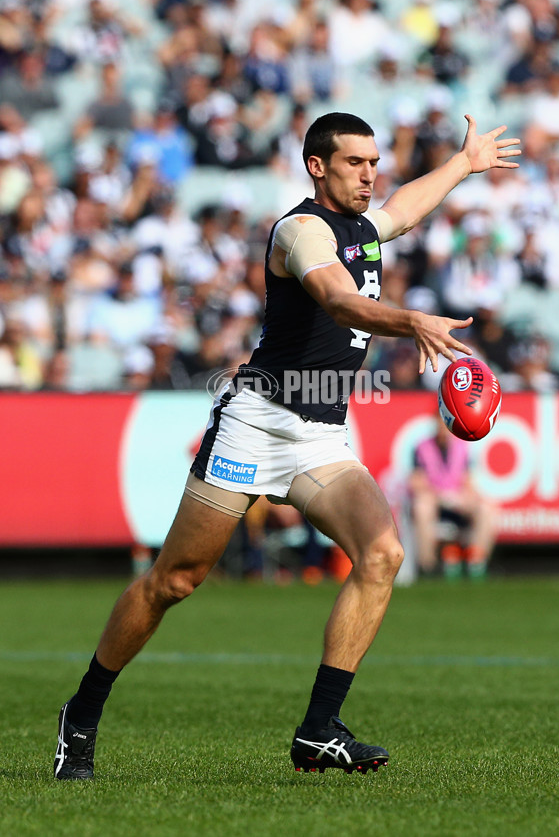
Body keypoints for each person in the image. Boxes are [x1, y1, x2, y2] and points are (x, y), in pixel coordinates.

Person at [54, 110, 520, 779]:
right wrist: (409, 319)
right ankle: (83, 711)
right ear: (317, 166)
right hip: (258, 422)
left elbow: (403, 212)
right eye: (356, 163)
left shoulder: (363, 227)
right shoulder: (300, 231)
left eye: (374, 160)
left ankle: (318, 730)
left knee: (383, 553)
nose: (370, 173)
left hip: (321, 435)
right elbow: (338, 301)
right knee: (175, 581)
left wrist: (463, 165)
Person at [409, 415, 498, 578]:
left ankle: (476, 561)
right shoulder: (422, 447)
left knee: (487, 508)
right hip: (434, 498)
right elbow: (416, 481)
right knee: (422, 506)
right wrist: (439, 494)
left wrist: (463, 497)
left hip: (457, 499)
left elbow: (468, 481)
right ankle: (428, 565)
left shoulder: (462, 447)